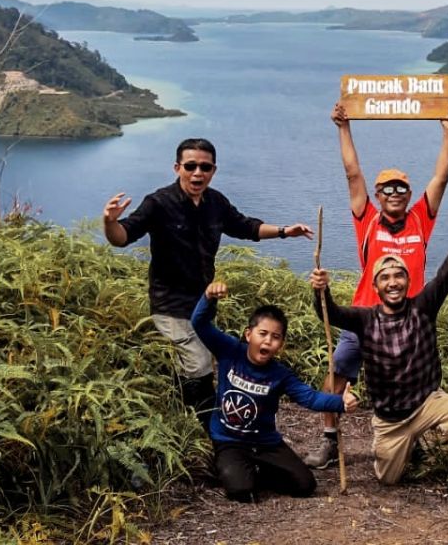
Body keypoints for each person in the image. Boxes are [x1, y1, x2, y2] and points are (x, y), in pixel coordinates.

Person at [102, 137, 313, 432]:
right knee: (200, 364)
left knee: (196, 364)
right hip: (170, 305)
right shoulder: (158, 203)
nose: (197, 173)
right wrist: (110, 222)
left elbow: (245, 226)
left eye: (205, 167)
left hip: (202, 305)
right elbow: (123, 236)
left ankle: (177, 413)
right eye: (190, 166)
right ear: (178, 168)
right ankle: (209, 431)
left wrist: (284, 231)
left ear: (213, 170)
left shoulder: (215, 202)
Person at [305, 101, 448, 469]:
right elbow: (352, 173)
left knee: (415, 380)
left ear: (409, 195)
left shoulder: (422, 218)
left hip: (411, 319)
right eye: (386, 189)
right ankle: (329, 439)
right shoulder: (368, 219)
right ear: (377, 196)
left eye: (401, 189)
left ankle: (413, 440)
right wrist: (343, 127)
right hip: (365, 316)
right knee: (338, 372)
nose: (394, 193)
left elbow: (441, 178)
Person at [309, 209, 448, 507]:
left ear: (408, 280)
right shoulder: (365, 319)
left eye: (399, 276)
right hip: (391, 419)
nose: (393, 282)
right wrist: (320, 293)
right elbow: (332, 314)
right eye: (385, 278)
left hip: (428, 402)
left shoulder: (424, 306)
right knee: (388, 479)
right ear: (375, 287)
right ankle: (408, 445)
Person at [191, 281, 358, 502]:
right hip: (228, 440)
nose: (268, 341)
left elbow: (310, 398)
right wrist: (209, 298)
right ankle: (233, 468)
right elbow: (199, 323)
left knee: (305, 485)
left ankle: (255, 470)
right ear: (249, 334)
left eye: (275, 337)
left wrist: (341, 402)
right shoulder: (229, 350)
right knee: (241, 491)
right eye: (263, 333)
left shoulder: (280, 374)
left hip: (265, 443)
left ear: (281, 344)